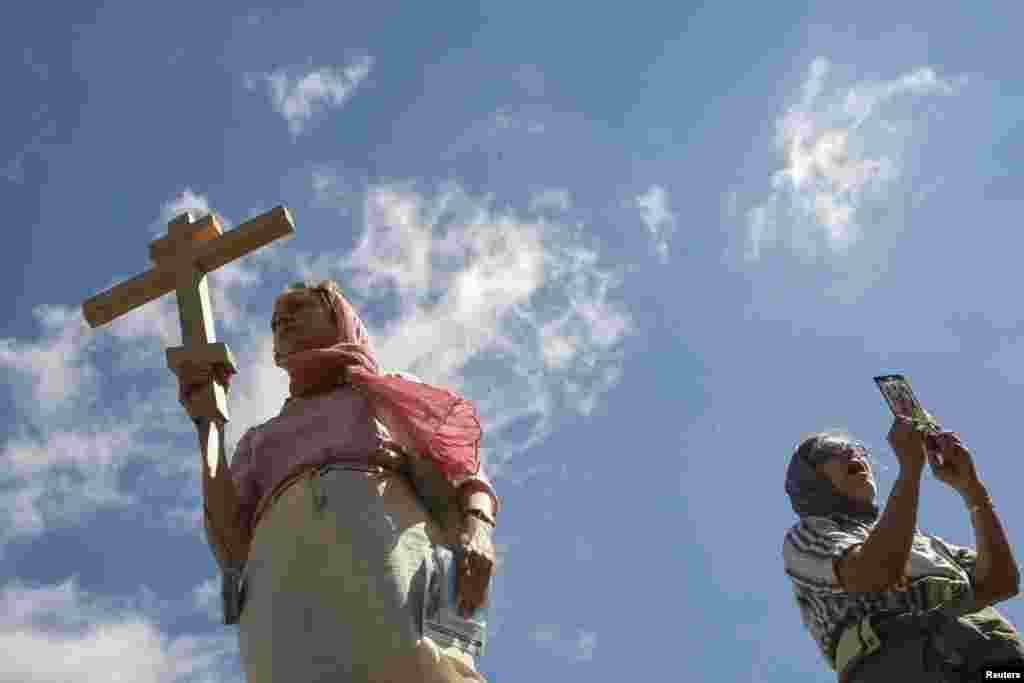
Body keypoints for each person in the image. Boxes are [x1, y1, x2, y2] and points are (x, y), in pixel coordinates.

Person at [178, 280, 499, 683]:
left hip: (389, 556)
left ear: (341, 319)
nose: (282, 321)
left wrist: (478, 529)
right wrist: (208, 424)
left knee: (420, 664)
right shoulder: (259, 441)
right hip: (283, 588)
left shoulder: (386, 395)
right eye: (276, 320)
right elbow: (230, 547)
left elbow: (463, 472)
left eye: (298, 307)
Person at [783, 417, 1022, 681]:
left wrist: (972, 489)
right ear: (810, 481)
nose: (851, 453)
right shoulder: (809, 534)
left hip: (993, 657)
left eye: (856, 449)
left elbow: (1002, 583)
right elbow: (874, 573)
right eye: (829, 451)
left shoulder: (927, 544)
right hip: (900, 664)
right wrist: (910, 468)